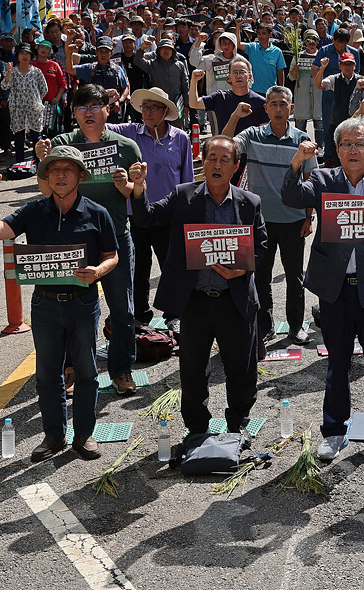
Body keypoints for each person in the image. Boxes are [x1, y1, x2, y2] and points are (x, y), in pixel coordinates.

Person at [280, 119, 364, 460]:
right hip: (335, 290)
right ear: (337, 149)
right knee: (337, 363)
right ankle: (334, 431)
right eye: (346, 144)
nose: (353, 151)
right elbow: (290, 196)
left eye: (360, 144)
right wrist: (298, 160)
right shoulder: (323, 180)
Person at [124, 136, 270, 436]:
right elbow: (146, 218)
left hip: (235, 299)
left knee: (241, 370)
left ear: (235, 166)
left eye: (224, 159)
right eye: (211, 158)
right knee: (192, 371)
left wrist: (241, 269)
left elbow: (262, 246)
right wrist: (138, 189)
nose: (217, 165)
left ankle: (238, 425)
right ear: (202, 162)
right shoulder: (182, 196)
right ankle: (197, 429)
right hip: (195, 301)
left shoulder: (249, 202)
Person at [0, 147, 118, 461]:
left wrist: (97, 271)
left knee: (86, 372)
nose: (59, 175)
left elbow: (113, 255)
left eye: (67, 170)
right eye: (53, 170)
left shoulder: (97, 213)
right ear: (46, 176)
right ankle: (54, 437)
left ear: (80, 176)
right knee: (47, 375)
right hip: (44, 306)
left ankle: (84, 436)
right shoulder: (34, 211)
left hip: (83, 304)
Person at [35, 84, 143, 395]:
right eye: (82, 107)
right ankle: (72, 369)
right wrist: (43, 163)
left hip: (116, 238)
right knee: (73, 309)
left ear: (108, 109)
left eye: (96, 106)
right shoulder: (62, 144)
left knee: (122, 309)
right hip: (73, 242)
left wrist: (131, 183)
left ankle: (122, 370)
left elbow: (135, 197)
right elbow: (46, 192)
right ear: (74, 112)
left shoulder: (125, 147)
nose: (89, 112)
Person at [227, 86, 315, 345]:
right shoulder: (252, 135)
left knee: (294, 276)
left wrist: (309, 218)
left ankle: (296, 326)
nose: (278, 109)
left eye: (282, 104)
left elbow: (309, 181)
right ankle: (265, 326)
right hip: (260, 221)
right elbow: (224, 145)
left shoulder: (302, 140)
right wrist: (235, 116)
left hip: (294, 220)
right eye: (273, 104)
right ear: (265, 108)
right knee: (261, 276)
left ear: (291, 108)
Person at [110, 87, 194, 326]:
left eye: (152, 107)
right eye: (144, 107)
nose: (146, 112)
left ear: (164, 111)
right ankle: (140, 315)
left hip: (168, 214)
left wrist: (186, 213)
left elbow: (186, 179)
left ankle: (174, 315)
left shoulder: (180, 138)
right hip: (135, 212)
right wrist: (104, 103)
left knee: (172, 264)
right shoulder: (130, 132)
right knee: (139, 267)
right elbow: (100, 128)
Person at [189, 57, 268, 136]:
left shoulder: (260, 102)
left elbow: (264, 135)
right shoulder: (220, 97)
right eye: (234, 72)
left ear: (250, 76)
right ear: (229, 77)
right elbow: (194, 103)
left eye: (242, 72)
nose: (238, 76)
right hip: (225, 145)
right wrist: (194, 81)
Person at [1, 46, 49, 163]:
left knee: (36, 137)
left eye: (27, 53)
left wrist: (35, 100)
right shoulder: (13, 72)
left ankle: (38, 163)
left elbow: (44, 89)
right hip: (18, 110)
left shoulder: (36, 71)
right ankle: (20, 164)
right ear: (17, 56)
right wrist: (8, 72)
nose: (25, 56)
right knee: (19, 137)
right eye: (22, 53)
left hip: (34, 109)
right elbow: (4, 86)